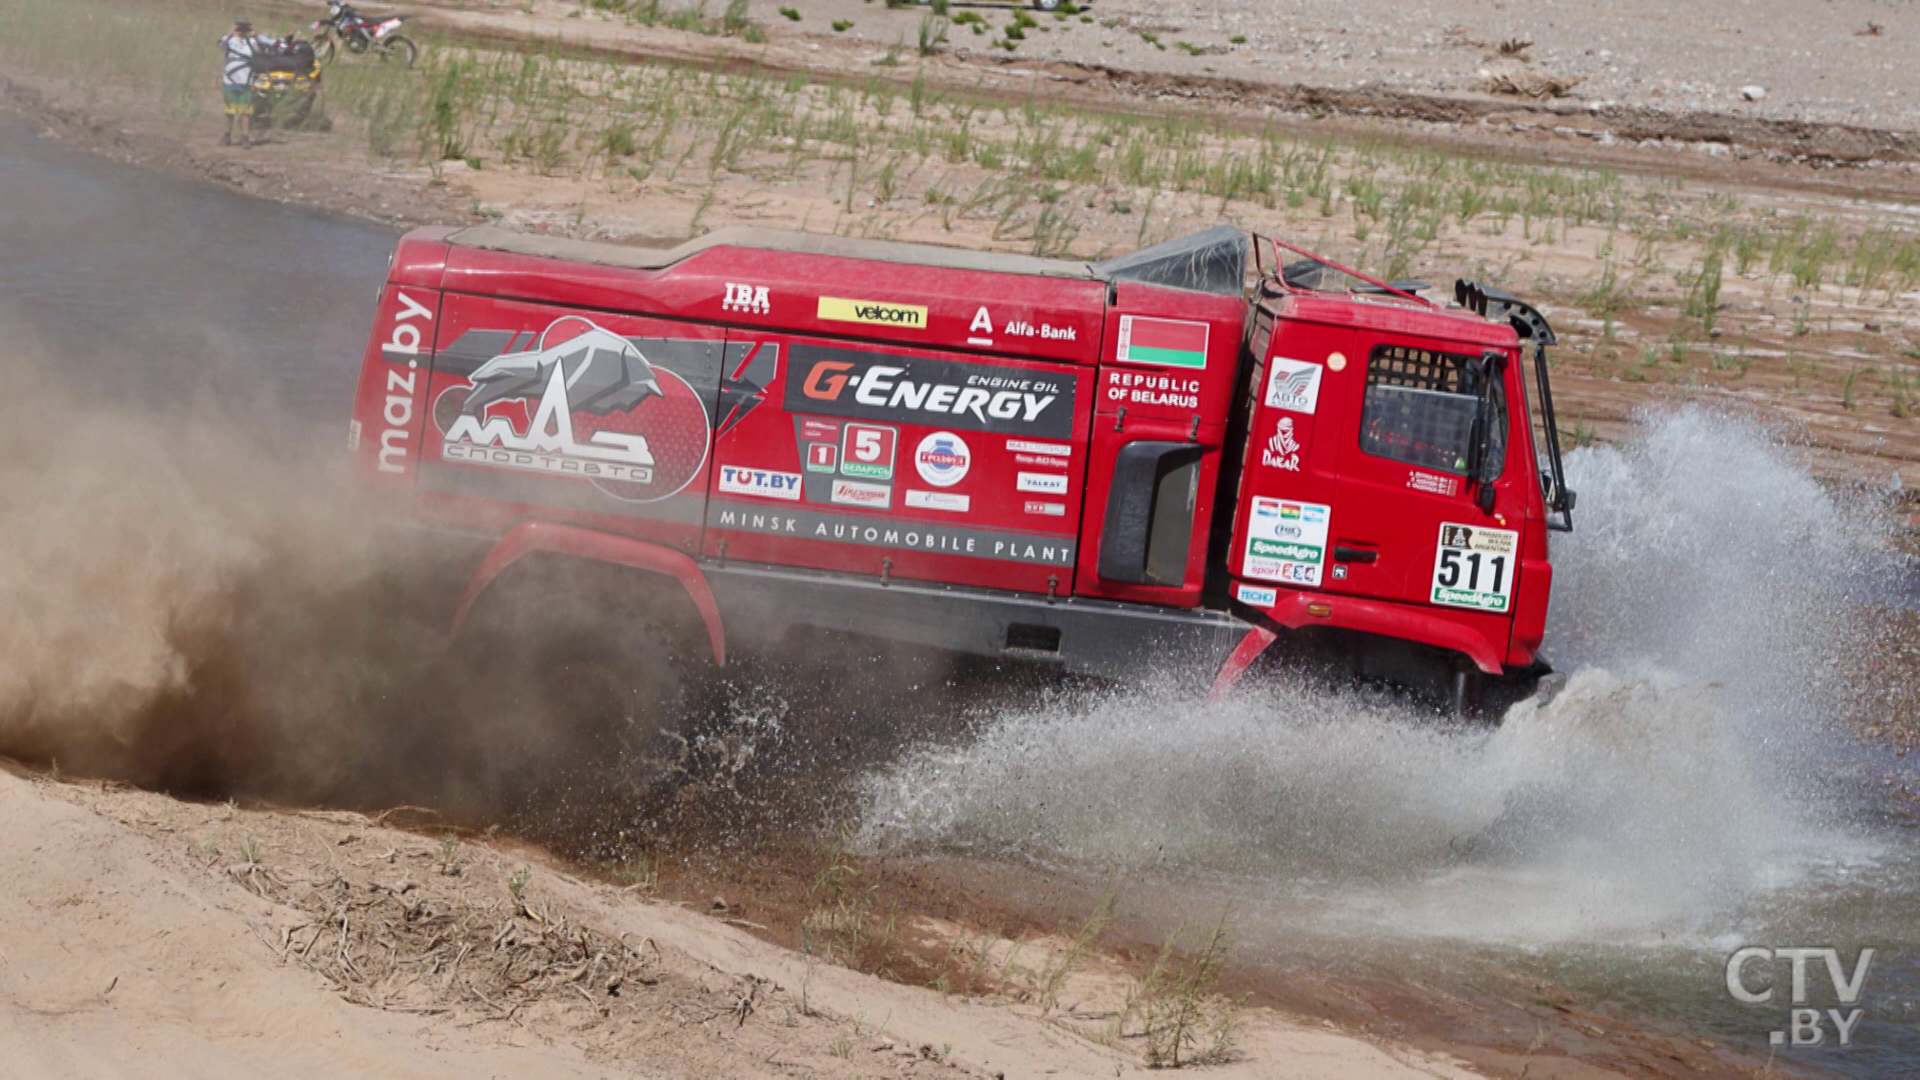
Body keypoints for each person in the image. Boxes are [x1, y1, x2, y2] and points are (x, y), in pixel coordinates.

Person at [218, 16, 264, 147]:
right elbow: (221, 46)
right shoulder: (229, 40)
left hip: (246, 81)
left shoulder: (252, 42)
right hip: (230, 80)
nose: (242, 29)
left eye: (245, 26)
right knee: (229, 111)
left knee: (246, 112)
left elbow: (260, 52)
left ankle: (245, 137)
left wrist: (255, 36)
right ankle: (227, 135)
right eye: (240, 26)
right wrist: (230, 33)